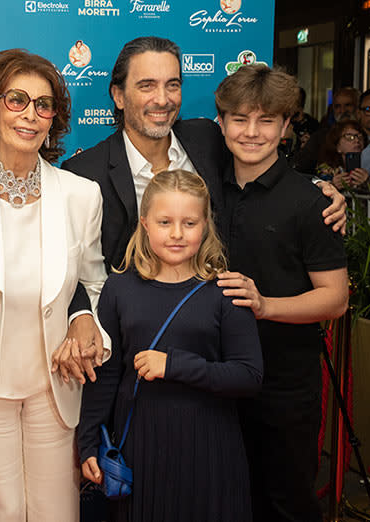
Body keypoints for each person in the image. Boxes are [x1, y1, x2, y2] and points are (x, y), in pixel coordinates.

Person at [59, 36, 346, 377]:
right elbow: (70, 268)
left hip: (220, 358)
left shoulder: (207, 140)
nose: (162, 99)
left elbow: (259, 161)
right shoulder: (82, 174)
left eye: (173, 85)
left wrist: (317, 187)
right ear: (119, 96)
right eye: (147, 85)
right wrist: (81, 315)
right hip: (127, 360)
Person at [0, 49, 110, 522]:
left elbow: (93, 281)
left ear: (54, 119)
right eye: (16, 100)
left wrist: (83, 318)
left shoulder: (80, 195)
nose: (31, 114)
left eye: (44, 105)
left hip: (57, 381)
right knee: (0, 512)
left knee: (58, 512)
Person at [78, 169, 263, 522]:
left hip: (211, 451)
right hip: (141, 450)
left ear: (206, 225)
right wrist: (88, 440)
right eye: (165, 222)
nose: (177, 234)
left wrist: (175, 366)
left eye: (189, 223)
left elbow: (249, 375)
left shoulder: (226, 290)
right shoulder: (120, 289)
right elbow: (107, 376)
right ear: (145, 223)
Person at [214, 64, 349, 522]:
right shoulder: (205, 190)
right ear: (221, 122)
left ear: (287, 126)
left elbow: (335, 298)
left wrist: (265, 305)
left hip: (283, 389)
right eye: (239, 119)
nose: (251, 132)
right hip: (214, 384)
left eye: (267, 120)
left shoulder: (312, 202)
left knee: (285, 505)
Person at [294, 86, 360, 174]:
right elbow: (300, 170)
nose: (342, 110)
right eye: (337, 106)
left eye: (348, 105)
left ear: (358, 107)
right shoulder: (320, 138)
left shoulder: (365, 135)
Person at [317, 119, 369, 191]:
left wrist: (367, 182)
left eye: (360, 137)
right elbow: (315, 191)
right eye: (350, 137)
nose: (357, 141)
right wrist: (332, 185)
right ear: (337, 146)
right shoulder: (326, 169)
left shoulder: (367, 167)